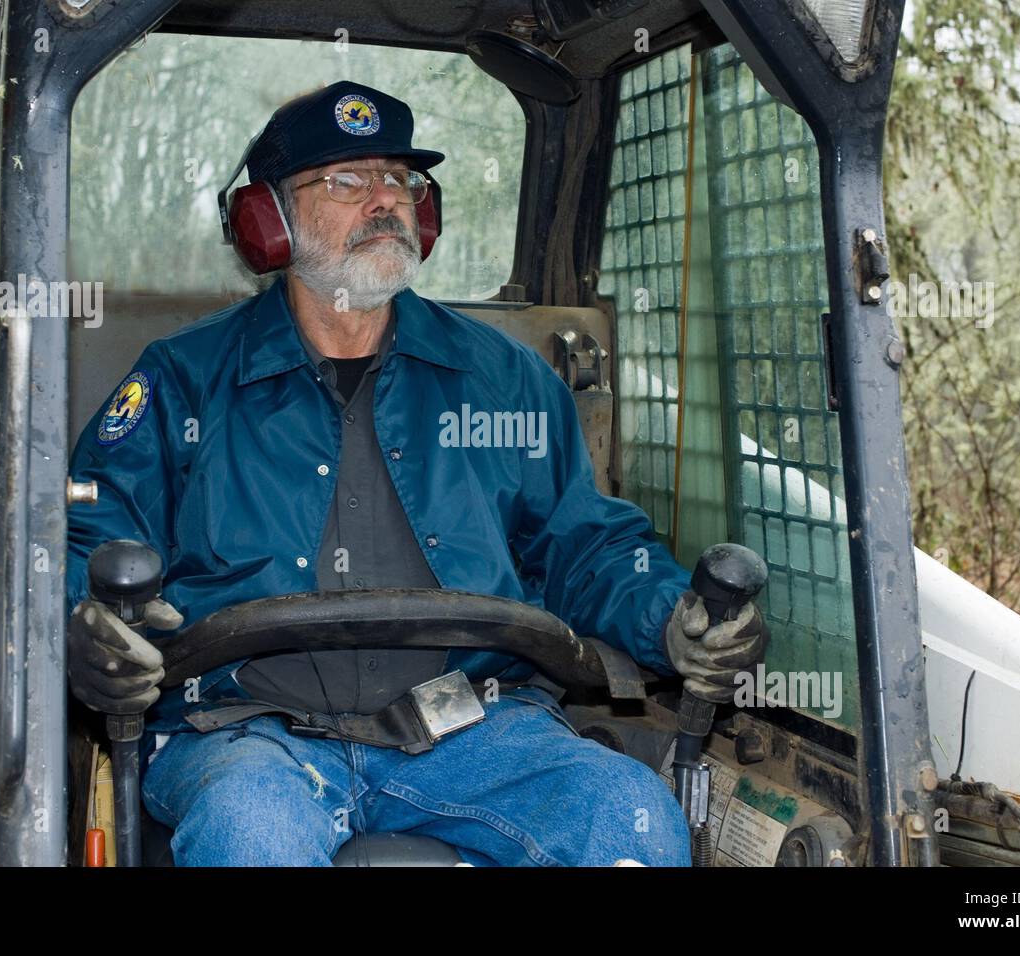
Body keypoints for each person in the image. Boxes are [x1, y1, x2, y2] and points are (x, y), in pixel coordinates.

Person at [66, 81, 767, 866]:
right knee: (252, 830)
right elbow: (88, 542)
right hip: (245, 731)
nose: (384, 201)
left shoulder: (504, 379)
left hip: (472, 726)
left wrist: (667, 617)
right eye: (346, 181)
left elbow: (585, 546)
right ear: (268, 221)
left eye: (398, 179)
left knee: (630, 816)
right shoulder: (180, 382)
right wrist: (85, 628)